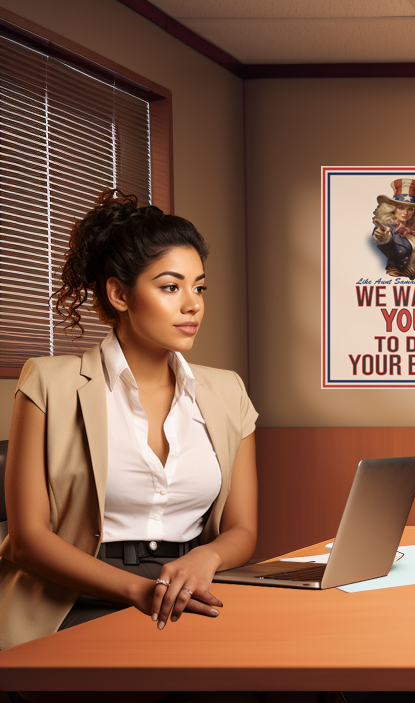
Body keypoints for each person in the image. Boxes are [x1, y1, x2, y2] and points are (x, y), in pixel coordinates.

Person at [2, 189, 259, 651]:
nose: (192, 304)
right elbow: (26, 540)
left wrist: (206, 558)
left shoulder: (227, 391)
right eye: (170, 286)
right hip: (72, 601)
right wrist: (138, 589)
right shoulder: (49, 383)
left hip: (189, 592)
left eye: (199, 287)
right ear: (119, 294)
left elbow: (242, 528)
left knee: (293, 668)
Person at [370, 178, 415, 280]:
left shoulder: (414, 231)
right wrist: (381, 235)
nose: (405, 213)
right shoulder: (388, 228)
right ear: (393, 209)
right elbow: (383, 238)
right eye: (401, 208)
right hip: (394, 278)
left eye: (410, 209)